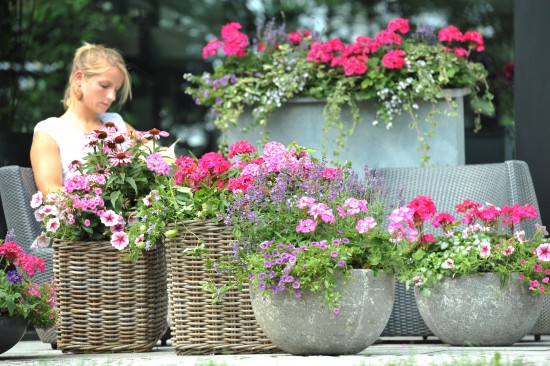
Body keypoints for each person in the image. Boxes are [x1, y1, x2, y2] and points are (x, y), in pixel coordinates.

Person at [30, 42, 134, 195]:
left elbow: (156, 153)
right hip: (86, 217)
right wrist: (97, 201)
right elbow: (50, 192)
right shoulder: (50, 132)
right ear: (79, 78)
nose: (112, 97)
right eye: (105, 86)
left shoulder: (115, 123)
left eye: (116, 90)